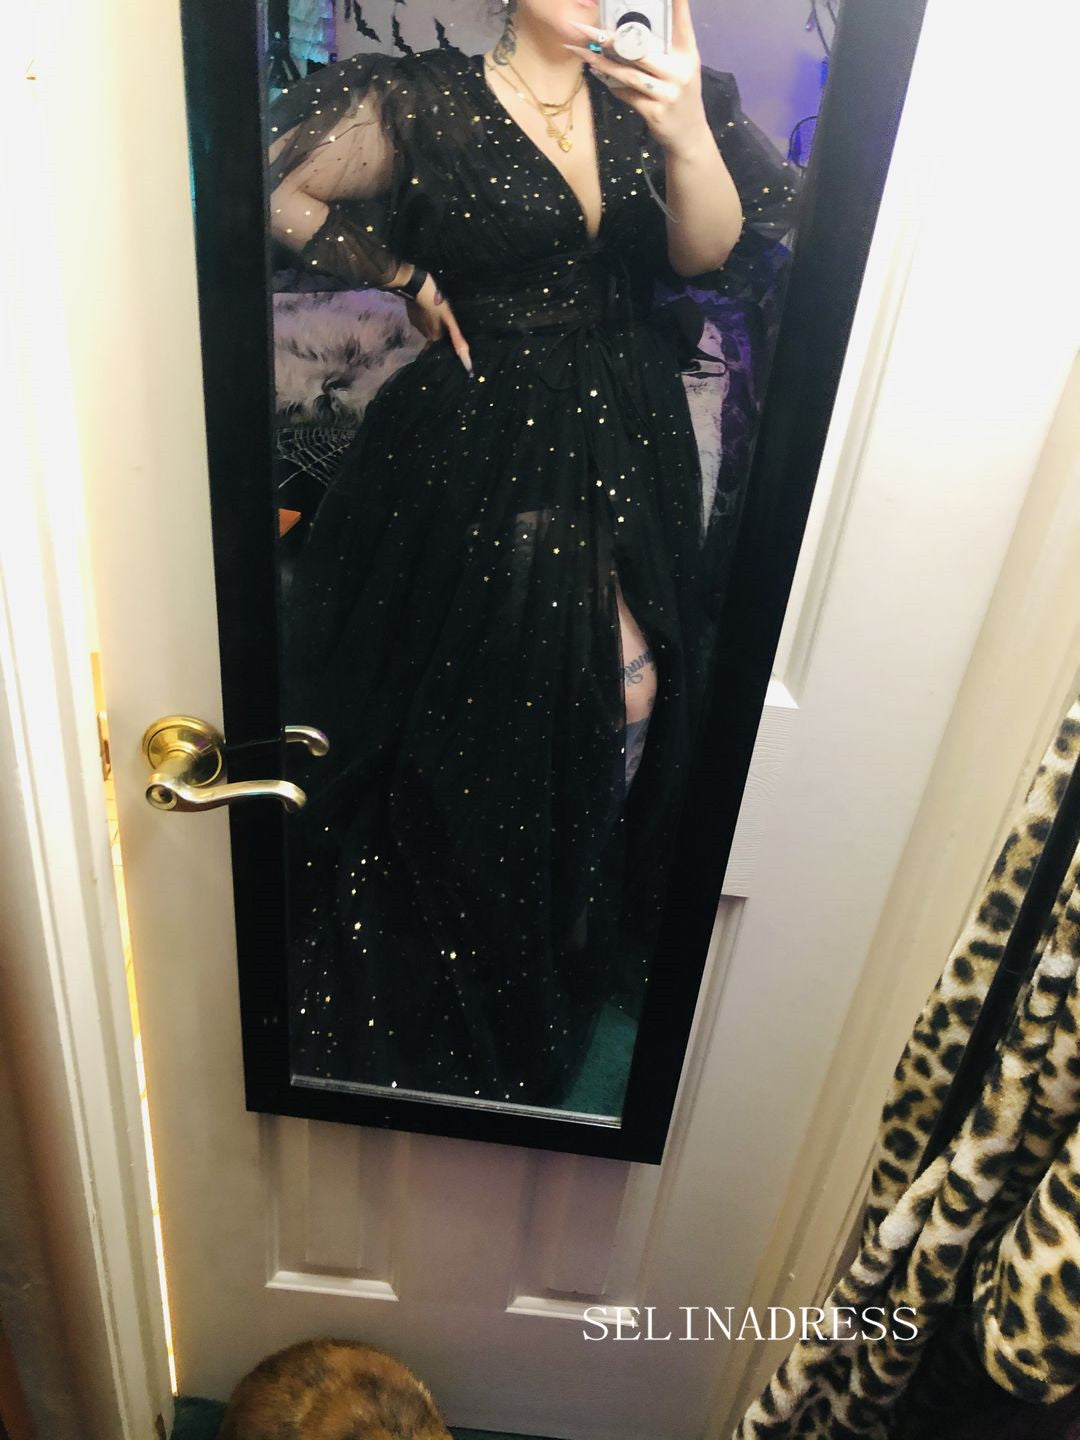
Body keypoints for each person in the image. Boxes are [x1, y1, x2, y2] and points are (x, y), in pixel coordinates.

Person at [268, 0, 780, 1108]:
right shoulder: (422, 103)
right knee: (495, 693)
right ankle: (482, 921)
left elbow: (708, 253)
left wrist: (686, 128)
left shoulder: (670, 98)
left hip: (630, 418)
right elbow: (281, 191)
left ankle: (567, 907)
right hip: (482, 432)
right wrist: (406, 279)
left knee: (634, 683)